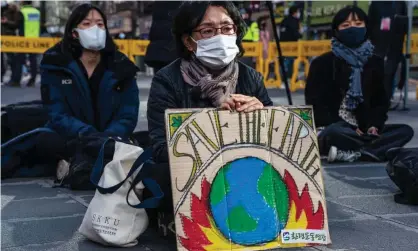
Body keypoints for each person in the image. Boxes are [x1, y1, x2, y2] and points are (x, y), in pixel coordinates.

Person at [146, 1, 273, 236]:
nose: (220, 37)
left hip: (242, 171)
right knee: (163, 176)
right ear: (188, 41)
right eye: (207, 31)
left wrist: (263, 113)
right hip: (193, 174)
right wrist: (213, 120)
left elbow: (274, 144)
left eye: (227, 28)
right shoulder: (167, 80)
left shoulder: (251, 78)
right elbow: (162, 148)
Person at [2, 4, 139, 178]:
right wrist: (88, 135)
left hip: (111, 140)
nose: (94, 29)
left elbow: (128, 114)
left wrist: (107, 137)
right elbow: (57, 113)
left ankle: (75, 166)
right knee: (44, 139)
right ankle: (83, 163)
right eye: (87, 24)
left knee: (134, 146)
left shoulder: (122, 67)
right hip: (71, 138)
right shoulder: (56, 64)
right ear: (74, 33)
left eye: (100, 24)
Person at [305, 6, 413, 163]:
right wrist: (344, 126)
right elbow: (315, 104)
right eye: (346, 25)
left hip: (363, 130)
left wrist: (373, 126)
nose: (353, 28)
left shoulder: (374, 62)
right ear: (336, 30)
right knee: (334, 133)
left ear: (366, 27)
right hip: (335, 127)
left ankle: (355, 152)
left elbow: (380, 102)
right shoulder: (322, 63)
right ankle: (371, 150)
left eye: (357, 23)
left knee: (405, 131)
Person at [368, 1, 408, 100]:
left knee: (389, 75)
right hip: (378, 46)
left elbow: (405, 26)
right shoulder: (376, 4)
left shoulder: (400, 3)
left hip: (394, 47)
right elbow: (369, 24)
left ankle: (385, 100)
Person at [7, 1, 40, 87]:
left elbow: (16, 25)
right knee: (33, 60)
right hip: (34, 39)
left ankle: (16, 81)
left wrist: (6, 22)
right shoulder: (37, 12)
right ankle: (32, 80)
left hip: (23, 40)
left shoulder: (21, 12)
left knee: (19, 59)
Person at [144, 1, 183, 74]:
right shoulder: (182, 4)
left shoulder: (158, 4)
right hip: (174, 50)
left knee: (160, 78)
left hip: (158, 51)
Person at [279, 5, 302, 80]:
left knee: (285, 60)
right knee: (291, 61)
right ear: (294, 12)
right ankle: (291, 76)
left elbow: (282, 32)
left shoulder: (284, 20)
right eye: (297, 12)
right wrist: (300, 35)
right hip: (292, 45)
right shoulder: (294, 21)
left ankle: (282, 76)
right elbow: (295, 33)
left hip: (283, 45)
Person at [1, 2, 21, 85]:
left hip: (9, 39)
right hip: (2, 38)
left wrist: (6, 22)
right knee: (2, 60)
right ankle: (1, 77)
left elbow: (16, 24)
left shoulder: (13, 12)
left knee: (11, 59)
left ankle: (13, 78)